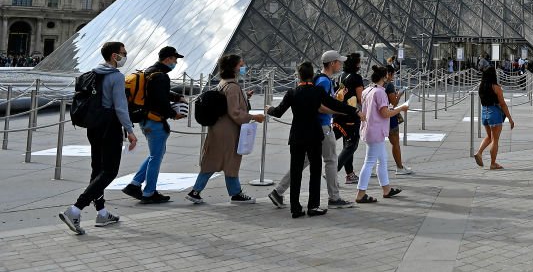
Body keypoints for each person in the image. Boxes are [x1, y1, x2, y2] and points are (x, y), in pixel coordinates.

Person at [59, 41, 138, 235]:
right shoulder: (116, 77)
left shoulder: (91, 73)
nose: (125, 56)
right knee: (109, 171)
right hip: (110, 126)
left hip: (93, 126)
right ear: (114, 56)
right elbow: (120, 106)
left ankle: (102, 213)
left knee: (98, 169)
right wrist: (130, 130)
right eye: (123, 53)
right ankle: (76, 209)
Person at [268, 51, 357, 211]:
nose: (341, 64)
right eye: (339, 62)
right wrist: (344, 111)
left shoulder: (319, 80)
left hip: (309, 130)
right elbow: (320, 106)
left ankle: (279, 191)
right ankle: (333, 197)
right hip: (321, 127)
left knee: (304, 163)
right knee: (330, 161)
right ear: (332, 64)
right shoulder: (323, 82)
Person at [186, 55, 264, 204]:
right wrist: (254, 117)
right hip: (228, 130)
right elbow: (234, 112)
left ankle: (196, 191)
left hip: (218, 128)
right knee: (231, 161)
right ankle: (235, 194)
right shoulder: (233, 87)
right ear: (234, 67)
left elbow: (225, 102)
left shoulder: (224, 83)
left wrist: (244, 96)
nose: (243, 67)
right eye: (241, 64)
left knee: (213, 160)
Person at [122, 46, 186, 204]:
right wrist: (174, 114)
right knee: (156, 157)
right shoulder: (161, 76)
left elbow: (157, 94)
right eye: (174, 59)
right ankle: (149, 192)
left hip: (145, 118)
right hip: (154, 120)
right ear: (167, 59)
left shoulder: (150, 71)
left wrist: (177, 97)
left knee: (155, 154)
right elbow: (161, 100)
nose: (176, 62)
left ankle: (135, 185)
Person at [354, 66, 408, 203]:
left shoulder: (367, 90)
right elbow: (385, 113)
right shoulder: (380, 93)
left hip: (369, 129)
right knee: (370, 161)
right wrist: (400, 108)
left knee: (382, 159)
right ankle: (361, 193)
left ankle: (386, 189)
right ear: (385, 77)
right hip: (376, 131)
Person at [474, 66, 515, 169]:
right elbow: (503, 104)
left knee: (489, 136)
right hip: (494, 114)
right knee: (495, 140)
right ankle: (493, 163)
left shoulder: (481, 86)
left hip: (484, 113)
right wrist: (510, 119)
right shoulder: (496, 87)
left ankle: (479, 152)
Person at [336, 53, 364, 185]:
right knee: (351, 145)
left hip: (339, 114)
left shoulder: (341, 76)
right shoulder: (356, 78)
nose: (360, 64)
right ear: (356, 64)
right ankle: (333, 170)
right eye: (359, 62)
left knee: (346, 144)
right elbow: (360, 98)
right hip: (351, 114)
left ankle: (350, 174)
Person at [384, 65, 414, 176]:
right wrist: (399, 94)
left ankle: (374, 167)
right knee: (395, 142)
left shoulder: (376, 84)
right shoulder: (389, 85)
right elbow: (394, 103)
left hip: (377, 117)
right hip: (389, 116)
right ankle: (399, 167)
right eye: (393, 74)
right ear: (390, 74)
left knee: (376, 144)